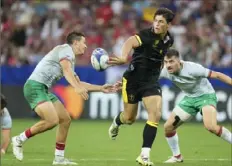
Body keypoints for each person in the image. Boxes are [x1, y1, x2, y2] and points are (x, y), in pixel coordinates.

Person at [11, 31, 115, 165]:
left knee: (65, 119)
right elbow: (66, 72)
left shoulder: (70, 60)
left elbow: (78, 82)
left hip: (43, 89)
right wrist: (76, 87)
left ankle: (58, 159)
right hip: (34, 87)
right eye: (83, 43)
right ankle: (19, 139)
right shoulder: (65, 50)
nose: (85, 46)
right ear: (76, 43)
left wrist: (101, 88)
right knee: (52, 120)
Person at [107, 8, 175, 166]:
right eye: (155, 21)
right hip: (132, 80)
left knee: (155, 114)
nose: (157, 24)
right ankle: (117, 122)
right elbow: (130, 41)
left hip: (150, 82)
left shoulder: (169, 40)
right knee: (129, 118)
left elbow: (160, 57)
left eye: (161, 22)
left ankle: (144, 156)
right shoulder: (146, 35)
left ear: (168, 25)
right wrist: (124, 56)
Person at [159, 48, 232, 163]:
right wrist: (126, 85)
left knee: (210, 126)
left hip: (206, 96)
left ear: (179, 60)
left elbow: (217, 75)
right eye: (166, 62)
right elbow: (146, 80)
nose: (168, 65)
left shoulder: (193, 68)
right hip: (190, 98)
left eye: (171, 61)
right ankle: (177, 156)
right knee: (168, 127)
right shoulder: (164, 71)